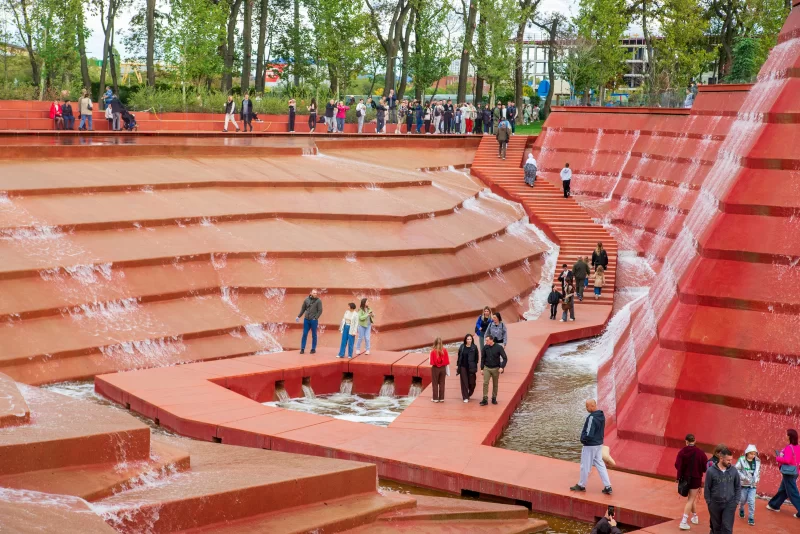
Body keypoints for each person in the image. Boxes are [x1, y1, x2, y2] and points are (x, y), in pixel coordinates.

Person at [571, 399, 612, 494]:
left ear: (593, 406)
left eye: (587, 406)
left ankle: (581, 485)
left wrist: (583, 440)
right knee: (600, 464)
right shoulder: (601, 415)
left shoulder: (591, 418)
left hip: (590, 445)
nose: (586, 408)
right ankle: (608, 486)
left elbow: (589, 433)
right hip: (598, 444)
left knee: (585, 465)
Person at [675, 434, 708, 530]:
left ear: (686, 441)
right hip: (696, 479)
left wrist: (680, 476)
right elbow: (705, 467)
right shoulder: (700, 453)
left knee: (690, 498)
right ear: (695, 440)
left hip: (685, 478)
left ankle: (695, 517)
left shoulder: (682, 452)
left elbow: (677, 465)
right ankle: (683, 522)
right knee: (691, 499)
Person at [705, 446, 741, 534]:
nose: (730, 462)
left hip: (730, 503)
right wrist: (709, 502)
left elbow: (737, 486)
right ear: (721, 458)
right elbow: (707, 487)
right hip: (715, 504)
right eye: (728, 460)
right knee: (716, 528)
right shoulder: (711, 471)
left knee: (727, 527)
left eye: (731, 460)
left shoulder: (734, 471)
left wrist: (736, 501)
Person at [766, 428, 800, 517]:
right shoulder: (798, 447)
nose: (785, 436)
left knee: (792, 492)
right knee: (783, 490)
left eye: (786, 434)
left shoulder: (789, 447)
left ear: (789, 437)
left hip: (788, 473)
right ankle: (774, 505)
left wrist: (778, 458)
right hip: (794, 472)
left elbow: (787, 460)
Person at [735, 444, 760, 526]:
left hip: (753, 486)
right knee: (742, 500)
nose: (753, 455)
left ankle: (751, 518)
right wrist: (744, 477)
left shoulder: (757, 461)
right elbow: (737, 470)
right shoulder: (741, 460)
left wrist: (757, 479)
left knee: (751, 501)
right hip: (743, 485)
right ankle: (741, 508)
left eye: (754, 454)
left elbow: (758, 472)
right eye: (751, 454)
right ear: (747, 453)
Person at [479, 335, 507, 406]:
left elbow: (505, 358)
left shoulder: (499, 347)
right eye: (486, 340)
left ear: (492, 340)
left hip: (496, 368)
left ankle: (494, 398)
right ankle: (485, 399)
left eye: (487, 340)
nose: (486, 341)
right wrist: (482, 368)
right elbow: (482, 358)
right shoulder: (485, 348)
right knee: (485, 383)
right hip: (487, 368)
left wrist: (502, 367)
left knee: (495, 384)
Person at [295, 289, 323, 355]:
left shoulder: (318, 301)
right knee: (304, 334)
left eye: (316, 293)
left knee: (314, 335)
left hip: (313, 320)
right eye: (314, 293)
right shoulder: (306, 300)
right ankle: (302, 348)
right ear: (311, 293)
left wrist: (315, 318)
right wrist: (298, 316)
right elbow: (303, 309)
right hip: (306, 320)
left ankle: (313, 349)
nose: (315, 294)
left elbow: (320, 311)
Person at [457, 334, 479, 402]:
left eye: (470, 339)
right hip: (463, 367)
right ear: (465, 340)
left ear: (472, 340)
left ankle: (469, 393)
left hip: (471, 367)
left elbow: (476, 358)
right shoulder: (462, 347)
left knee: (472, 383)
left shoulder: (474, 347)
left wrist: (474, 365)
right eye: (468, 339)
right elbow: (459, 356)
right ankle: (465, 397)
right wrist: (458, 365)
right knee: (464, 382)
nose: (469, 340)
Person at [429, 337, 450, 402]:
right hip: (443, 368)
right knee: (442, 383)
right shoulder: (445, 350)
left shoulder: (433, 351)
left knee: (435, 383)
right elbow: (447, 361)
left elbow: (431, 362)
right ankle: (441, 398)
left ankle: (435, 398)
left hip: (435, 368)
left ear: (434, 343)